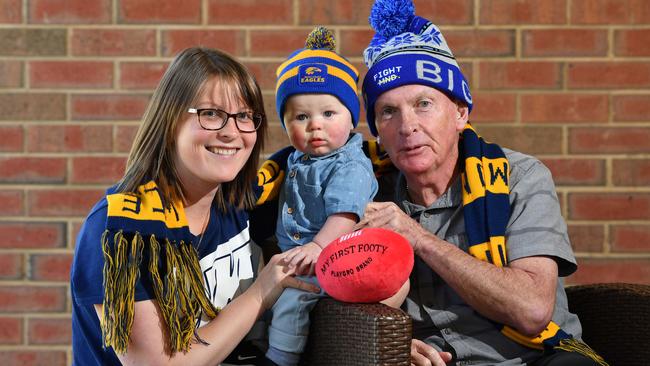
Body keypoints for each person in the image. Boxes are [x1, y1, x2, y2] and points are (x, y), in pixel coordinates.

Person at [353, 1, 608, 366]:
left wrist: (419, 238)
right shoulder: (364, 193)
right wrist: (390, 342)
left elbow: (533, 309)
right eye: (388, 112)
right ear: (378, 131)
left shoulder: (519, 177)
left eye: (423, 103)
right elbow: (334, 298)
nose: (407, 126)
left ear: (460, 112)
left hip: (537, 356)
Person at [70, 47, 319, 366]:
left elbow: (329, 168)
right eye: (211, 113)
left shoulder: (240, 202)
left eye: (244, 116)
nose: (231, 133)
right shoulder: (120, 231)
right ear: (170, 120)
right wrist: (261, 291)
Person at [262, 27, 379, 366]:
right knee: (260, 293)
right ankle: (252, 340)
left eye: (329, 114)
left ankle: (280, 358)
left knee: (292, 304)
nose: (315, 125)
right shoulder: (295, 159)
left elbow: (345, 215)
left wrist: (317, 247)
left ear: (351, 117)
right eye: (301, 117)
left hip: (332, 258)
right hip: (297, 252)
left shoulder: (350, 164)